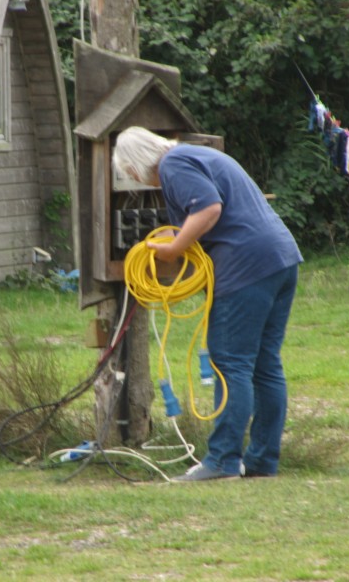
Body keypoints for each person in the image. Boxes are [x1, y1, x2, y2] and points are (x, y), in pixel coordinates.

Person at [112, 126, 303, 482]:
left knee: (231, 363)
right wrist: (180, 232)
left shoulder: (174, 165)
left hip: (245, 268)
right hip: (280, 259)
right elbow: (213, 212)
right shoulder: (198, 155)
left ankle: (222, 461)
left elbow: (209, 209)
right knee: (264, 365)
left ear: (134, 165)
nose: (135, 180)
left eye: (130, 173)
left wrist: (173, 248)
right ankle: (262, 461)